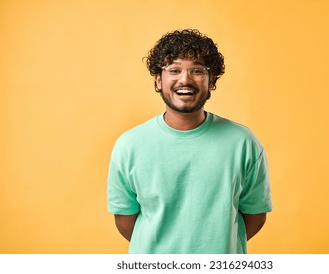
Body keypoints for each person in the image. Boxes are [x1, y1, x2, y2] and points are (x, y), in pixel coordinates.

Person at [107, 29, 272, 254]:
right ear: (158, 80)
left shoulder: (243, 143)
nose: (185, 79)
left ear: (211, 79)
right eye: (173, 70)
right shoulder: (129, 145)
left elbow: (255, 216)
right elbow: (125, 222)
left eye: (197, 70)